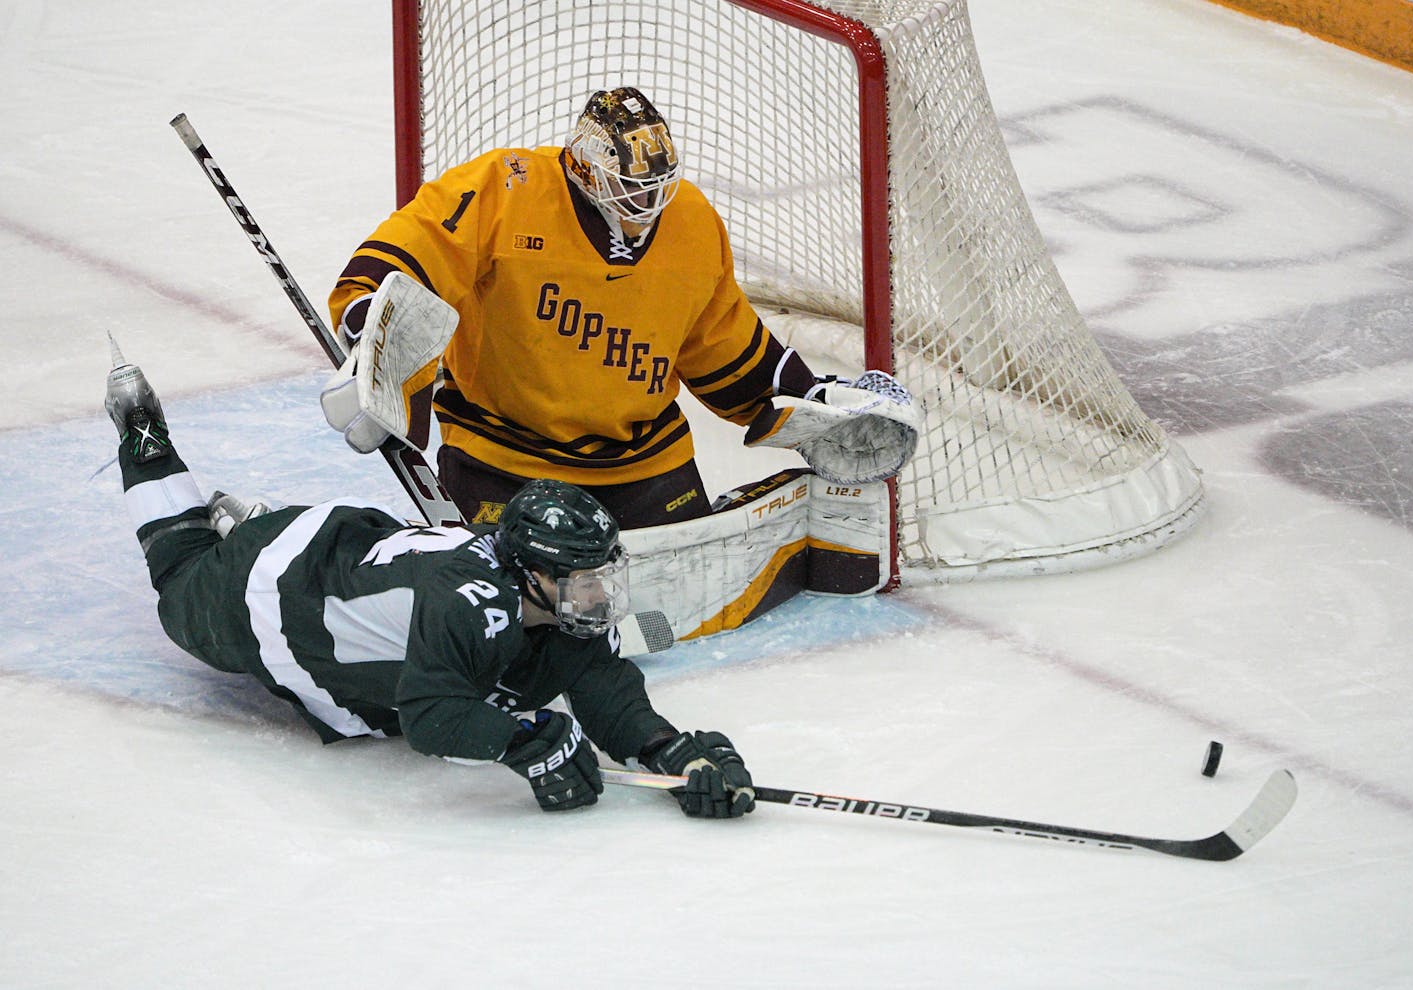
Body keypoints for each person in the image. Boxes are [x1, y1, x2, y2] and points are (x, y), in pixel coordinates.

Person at [104, 338, 754, 818]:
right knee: (178, 577)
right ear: (532, 576)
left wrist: (672, 752)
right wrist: (522, 743)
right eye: (583, 579)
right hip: (276, 598)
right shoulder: (466, 606)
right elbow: (429, 714)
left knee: (509, 669)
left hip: (350, 543)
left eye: (599, 576)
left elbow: (601, 682)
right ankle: (146, 439)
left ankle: (248, 521)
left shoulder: (546, 596)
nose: (597, 594)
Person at [326, 86, 918, 529]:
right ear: (585, 169)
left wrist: (802, 401)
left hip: (644, 461)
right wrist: (372, 334)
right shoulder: (505, 190)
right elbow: (418, 250)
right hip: (501, 454)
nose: (647, 203)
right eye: (631, 188)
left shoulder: (690, 220)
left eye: (656, 188)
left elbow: (720, 339)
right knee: (517, 613)